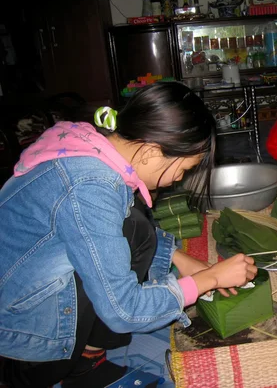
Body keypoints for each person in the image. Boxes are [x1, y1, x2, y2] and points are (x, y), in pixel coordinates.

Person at [0, 83, 258, 388]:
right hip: (20, 344)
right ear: (150, 152)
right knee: (121, 258)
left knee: (136, 225)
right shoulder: (90, 186)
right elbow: (124, 310)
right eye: (183, 168)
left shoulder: (91, 144)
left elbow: (109, 227)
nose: (180, 178)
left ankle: (88, 358)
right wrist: (209, 280)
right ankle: (70, 367)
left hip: (18, 296)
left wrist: (180, 257)